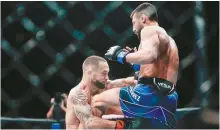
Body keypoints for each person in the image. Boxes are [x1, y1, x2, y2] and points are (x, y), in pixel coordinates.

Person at [92, 2, 179, 129]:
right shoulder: (170, 41)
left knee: (97, 101)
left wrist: (121, 55)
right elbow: (151, 74)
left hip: (148, 95)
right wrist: (136, 64)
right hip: (169, 98)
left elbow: (149, 55)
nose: (133, 28)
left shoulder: (148, 30)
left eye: (134, 22)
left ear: (143, 18)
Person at [65, 55, 137, 129]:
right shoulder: (78, 93)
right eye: (104, 73)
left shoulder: (103, 85)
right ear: (90, 72)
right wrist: (122, 125)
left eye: (107, 73)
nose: (107, 78)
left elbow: (125, 82)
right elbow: (89, 123)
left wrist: (139, 69)